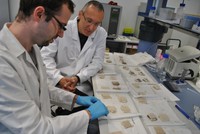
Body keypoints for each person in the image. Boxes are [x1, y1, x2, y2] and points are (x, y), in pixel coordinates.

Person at [0, 0, 109, 134]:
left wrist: (75, 99)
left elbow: (42, 89)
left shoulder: (32, 47)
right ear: (39, 14)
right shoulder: (3, 64)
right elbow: (37, 129)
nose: (61, 34)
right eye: (61, 26)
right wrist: (88, 114)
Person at [41, 0, 107, 96]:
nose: (92, 28)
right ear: (80, 14)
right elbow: (45, 57)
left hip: (82, 84)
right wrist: (59, 79)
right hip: (56, 82)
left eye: (97, 24)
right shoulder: (63, 27)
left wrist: (78, 78)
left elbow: (97, 62)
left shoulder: (101, 33)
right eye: (89, 21)